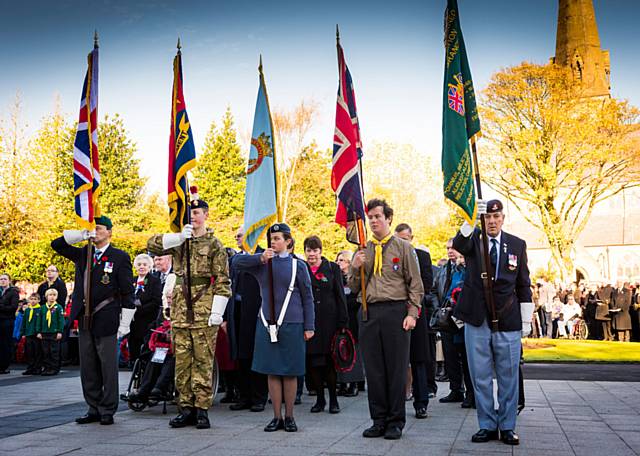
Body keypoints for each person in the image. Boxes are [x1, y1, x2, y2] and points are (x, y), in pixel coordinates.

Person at [147, 193, 231, 430]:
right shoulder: (179, 241)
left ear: (206, 215)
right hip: (181, 309)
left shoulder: (214, 244)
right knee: (182, 363)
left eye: (196, 213)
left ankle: (202, 409)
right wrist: (174, 238)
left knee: (203, 362)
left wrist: (218, 311)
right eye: (190, 213)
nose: (193, 217)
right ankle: (185, 408)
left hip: (204, 307)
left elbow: (223, 280)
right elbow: (151, 244)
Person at [452, 199, 533, 446]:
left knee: (509, 375)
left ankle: (507, 426)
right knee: (481, 375)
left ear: (503, 218)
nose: (492, 222)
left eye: (496, 217)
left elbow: (523, 284)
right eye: (487, 218)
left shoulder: (517, 245)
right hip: (477, 318)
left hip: (507, 318)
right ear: (483, 220)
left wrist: (526, 319)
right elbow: (459, 243)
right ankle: (487, 425)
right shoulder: (474, 240)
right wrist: (470, 218)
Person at [349, 199, 423, 440]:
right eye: (370, 217)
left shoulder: (402, 247)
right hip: (369, 312)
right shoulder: (363, 248)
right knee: (374, 370)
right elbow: (353, 287)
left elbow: (415, 284)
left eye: (378, 216)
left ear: (388, 219)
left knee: (396, 369)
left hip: (395, 312)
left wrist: (412, 314)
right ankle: (378, 420)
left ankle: (395, 421)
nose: (373, 221)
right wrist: (354, 266)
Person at [51, 215, 136, 425]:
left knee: (107, 366)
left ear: (109, 232)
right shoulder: (84, 254)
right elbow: (57, 244)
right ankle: (93, 407)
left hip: (106, 316)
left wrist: (125, 322)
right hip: (84, 317)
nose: (95, 231)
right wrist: (81, 234)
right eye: (93, 228)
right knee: (88, 366)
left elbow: (127, 291)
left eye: (98, 228)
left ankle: (107, 409)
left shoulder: (119, 257)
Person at [233, 223, 315, 433]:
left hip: (292, 323)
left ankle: (289, 416)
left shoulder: (299, 266)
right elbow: (236, 262)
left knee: (289, 372)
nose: (274, 242)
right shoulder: (263, 263)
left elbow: (307, 298)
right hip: (267, 323)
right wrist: (259, 258)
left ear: (288, 241)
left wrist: (309, 326)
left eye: (278, 238)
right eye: (272, 238)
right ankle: (276, 416)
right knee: (271, 371)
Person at [303, 235, 348, 414]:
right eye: (308, 250)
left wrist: (343, 322)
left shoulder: (332, 268)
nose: (312, 254)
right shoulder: (302, 268)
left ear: (320, 251)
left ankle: (334, 400)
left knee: (330, 362)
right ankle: (319, 399)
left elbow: (340, 295)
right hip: (311, 322)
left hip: (329, 322)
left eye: (315, 250)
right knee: (314, 362)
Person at [394, 223, 434, 419]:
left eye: (405, 238)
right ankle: (396, 400)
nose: (402, 242)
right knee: (397, 360)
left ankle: (421, 402)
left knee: (418, 359)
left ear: (411, 238)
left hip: (416, 311)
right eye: (399, 239)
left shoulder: (422, 256)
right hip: (395, 312)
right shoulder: (390, 257)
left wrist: (413, 302)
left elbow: (426, 283)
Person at [228, 227, 268, 413]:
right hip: (237, 312)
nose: (237, 238)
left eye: (241, 235)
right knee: (241, 356)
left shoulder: (264, 255)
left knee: (257, 355)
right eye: (236, 235)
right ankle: (243, 395)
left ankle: (259, 397)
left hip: (256, 313)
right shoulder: (236, 258)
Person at [435, 239, 470, 404]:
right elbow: (435, 291)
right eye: (447, 248)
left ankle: (471, 393)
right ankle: (456, 390)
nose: (450, 251)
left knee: (466, 357)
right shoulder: (443, 270)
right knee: (450, 356)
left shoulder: (467, 269)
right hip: (447, 319)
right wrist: (439, 309)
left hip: (463, 319)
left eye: (453, 248)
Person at [335, 250, 365, 397]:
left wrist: (344, 303)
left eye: (342, 260)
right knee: (341, 351)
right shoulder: (337, 278)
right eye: (337, 260)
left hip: (354, 319)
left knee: (355, 352)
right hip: (341, 319)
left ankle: (355, 383)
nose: (338, 263)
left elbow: (358, 298)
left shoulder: (355, 278)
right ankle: (342, 383)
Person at [128, 254, 162, 365]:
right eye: (139, 264)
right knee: (133, 347)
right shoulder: (131, 280)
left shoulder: (154, 281)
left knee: (145, 350)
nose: (141, 267)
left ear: (149, 267)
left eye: (144, 264)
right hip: (132, 321)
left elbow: (156, 301)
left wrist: (139, 310)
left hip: (147, 320)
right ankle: (133, 365)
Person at [38, 289, 65, 375]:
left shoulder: (58, 307)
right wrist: (39, 332)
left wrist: (60, 332)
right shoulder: (42, 308)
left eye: (54, 295)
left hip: (54, 332)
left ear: (56, 297)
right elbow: (39, 320)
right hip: (44, 332)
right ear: (46, 297)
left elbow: (61, 321)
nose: (52, 297)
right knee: (45, 351)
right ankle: (47, 368)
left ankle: (54, 368)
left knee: (54, 351)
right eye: (50, 295)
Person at [0, 273, 20, 374]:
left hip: (7, 320)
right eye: (1, 279)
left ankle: (5, 366)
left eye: (4, 279)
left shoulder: (13, 292)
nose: (2, 281)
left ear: (9, 281)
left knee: (6, 344)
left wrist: (1, 307)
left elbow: (13, 307)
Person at [21, 293, 43, 375]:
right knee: (29, 352)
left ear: (38, 300)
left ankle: (38, 368)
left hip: (36, 334)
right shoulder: (27, 310)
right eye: (31, 299)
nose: (33, 301)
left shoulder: (40, 310)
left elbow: (41, 322)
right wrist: (23, 333)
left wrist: (39, 332)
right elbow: (24, 322)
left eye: (35, 299)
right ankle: (30, 368)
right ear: (29, 300)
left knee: (37, 352)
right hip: (28, 333)